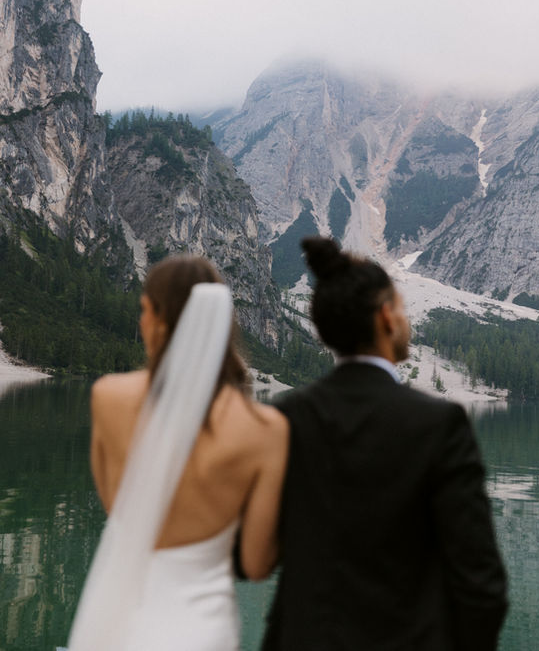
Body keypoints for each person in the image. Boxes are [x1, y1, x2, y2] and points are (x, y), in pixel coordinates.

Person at [262, 237, 507, 651]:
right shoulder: (439, 423)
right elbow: (480, 583)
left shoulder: (284, 419)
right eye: (403, 308)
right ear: (386, 318)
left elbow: (256, 553)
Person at [68, 254, 288, 651]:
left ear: (158, 319)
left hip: (118, 624)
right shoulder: (266, 431)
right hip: (203, 630)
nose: (141, 320)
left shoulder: (108, 397)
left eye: (144, 309)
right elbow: (257, 565)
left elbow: (119, 507)